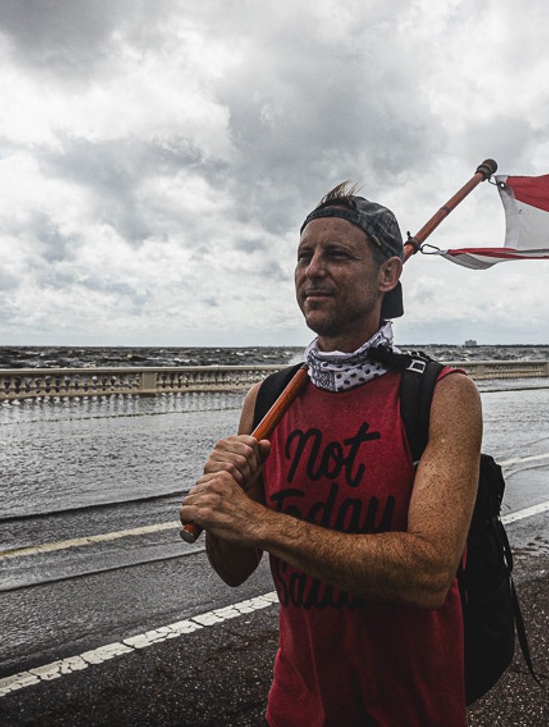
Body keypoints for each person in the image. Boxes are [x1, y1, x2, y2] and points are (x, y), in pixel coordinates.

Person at [179, 183, 483, 725]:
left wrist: (260, 522)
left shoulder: (440, 394)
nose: (311, 270)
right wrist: (224, 506)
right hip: (296, 708)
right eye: (304, 255)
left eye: (337, 255)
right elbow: (232, 568)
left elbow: (428, 574)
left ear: (388, 275)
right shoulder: (268, 398)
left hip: (411, 712)